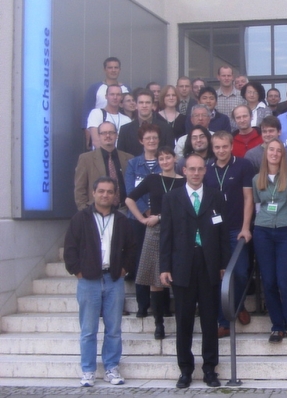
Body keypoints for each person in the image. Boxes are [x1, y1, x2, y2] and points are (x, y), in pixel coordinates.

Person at [159, 154, 230, 388]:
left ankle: (210, 369)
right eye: (192, 169)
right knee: (184, 320)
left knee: (210, 320)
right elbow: (166, 234)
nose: (196, 173)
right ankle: (185, 369)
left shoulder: (215, 196)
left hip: (209, 264)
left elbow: (223, 233)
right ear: (184, 171)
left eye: (200, 169)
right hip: (182, 265)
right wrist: (165, 267)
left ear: (205, 171)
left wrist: (223, 264)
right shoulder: (172, 198)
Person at [64, 176, 136, 387]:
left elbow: (132, 248)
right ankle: (88, 370)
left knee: (114, 328)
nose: (105, 195)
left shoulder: (122, 220)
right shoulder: (80, 218)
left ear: (115, 196)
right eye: (101, 191)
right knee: (88, 329)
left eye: (110, 192)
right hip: (88, 280)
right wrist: (77, 271)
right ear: (94, 193)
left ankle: (111, 368)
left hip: (113, 279)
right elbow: (70, 248)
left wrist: (123, 269)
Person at [125, 146, 185, 340]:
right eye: (161, 159)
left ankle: (181, 323)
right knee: (154, 280)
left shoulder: (183, 182)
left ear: (175, 159)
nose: (165, 161)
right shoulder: (152, 179)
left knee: (178, 276)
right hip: (154, 231)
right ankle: (158, 324)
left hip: (178, 231)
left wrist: (158, 216)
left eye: (168, 158)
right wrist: (141, 219)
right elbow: (129, 199)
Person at [203, 131, 256, 338]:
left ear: (231, 146)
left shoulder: (243, 166)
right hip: (214, 231)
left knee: (241, 272)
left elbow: (248, 198)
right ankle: (224, 321)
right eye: (217, 147)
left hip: (236, 228)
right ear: (212, 148)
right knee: (218, 275)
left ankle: (238, 304)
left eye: (224, 146)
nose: (221, 151)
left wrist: (245, 227)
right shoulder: (207, 170)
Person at [252, 139, 287, 343]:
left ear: (283, 154)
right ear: (265, 153)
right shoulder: (258, 178)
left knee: (285, 280)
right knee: (269, 281)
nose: (274, 153)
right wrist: (259, 225)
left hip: (286, 231)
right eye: (271, 150)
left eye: (278, 151)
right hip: (263, 231)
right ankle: (277, 325)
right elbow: (258, 207)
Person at [123, 124, 165, 318]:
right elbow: (130, 191)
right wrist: (145, 212)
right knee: (141, 259)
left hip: (160, 219)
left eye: (154, 138)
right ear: (141, 141)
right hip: (138, 220)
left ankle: (161, 305)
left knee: (159, 259)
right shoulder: (133, 164)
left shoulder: (164, 162)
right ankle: (142, 303)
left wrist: (156, 214)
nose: (151, 141)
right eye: (148, 138)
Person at [74, 122, 133, 211]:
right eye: (104, 133)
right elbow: (80, 189)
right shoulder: (86, 159)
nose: (108, 135)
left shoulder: (129, 158)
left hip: (124, 211)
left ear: (116, 135)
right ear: (99, 136)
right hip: (96, 211)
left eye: (111, 132)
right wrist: (85, 212)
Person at [118, 90, 174, 157]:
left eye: (147, 102)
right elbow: (121, 156)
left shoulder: (165, 128)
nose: (144, 106)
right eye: (141, 102)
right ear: (136, 105)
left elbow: (170, 154)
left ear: (153, 105)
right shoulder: (125, 130)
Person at [82, 57, 129, 132]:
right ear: (105, 70)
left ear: (120, 70)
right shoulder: (95, 88)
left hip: (123, 127)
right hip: (99, 129)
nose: (113, 70)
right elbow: (87, 111)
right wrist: (87, 133)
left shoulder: (126, 89)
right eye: (110, 68)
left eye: (116, 67)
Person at [86, 84, 131, 150]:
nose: (115, 97)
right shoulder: (96, 113)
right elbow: (96, 141)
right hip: (101, 157)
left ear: (121, 97)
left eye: (118, 94)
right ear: (106, 96)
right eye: (112, 94)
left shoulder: (127, 120)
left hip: (121, 158)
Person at [215, 65, 246, 130]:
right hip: (219, 135)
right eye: (223, 76)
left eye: (229, 76)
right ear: (218, 77)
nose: (226, 78)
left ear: (233, 77)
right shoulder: (213, 96)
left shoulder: (242, 95)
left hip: (238, 134)